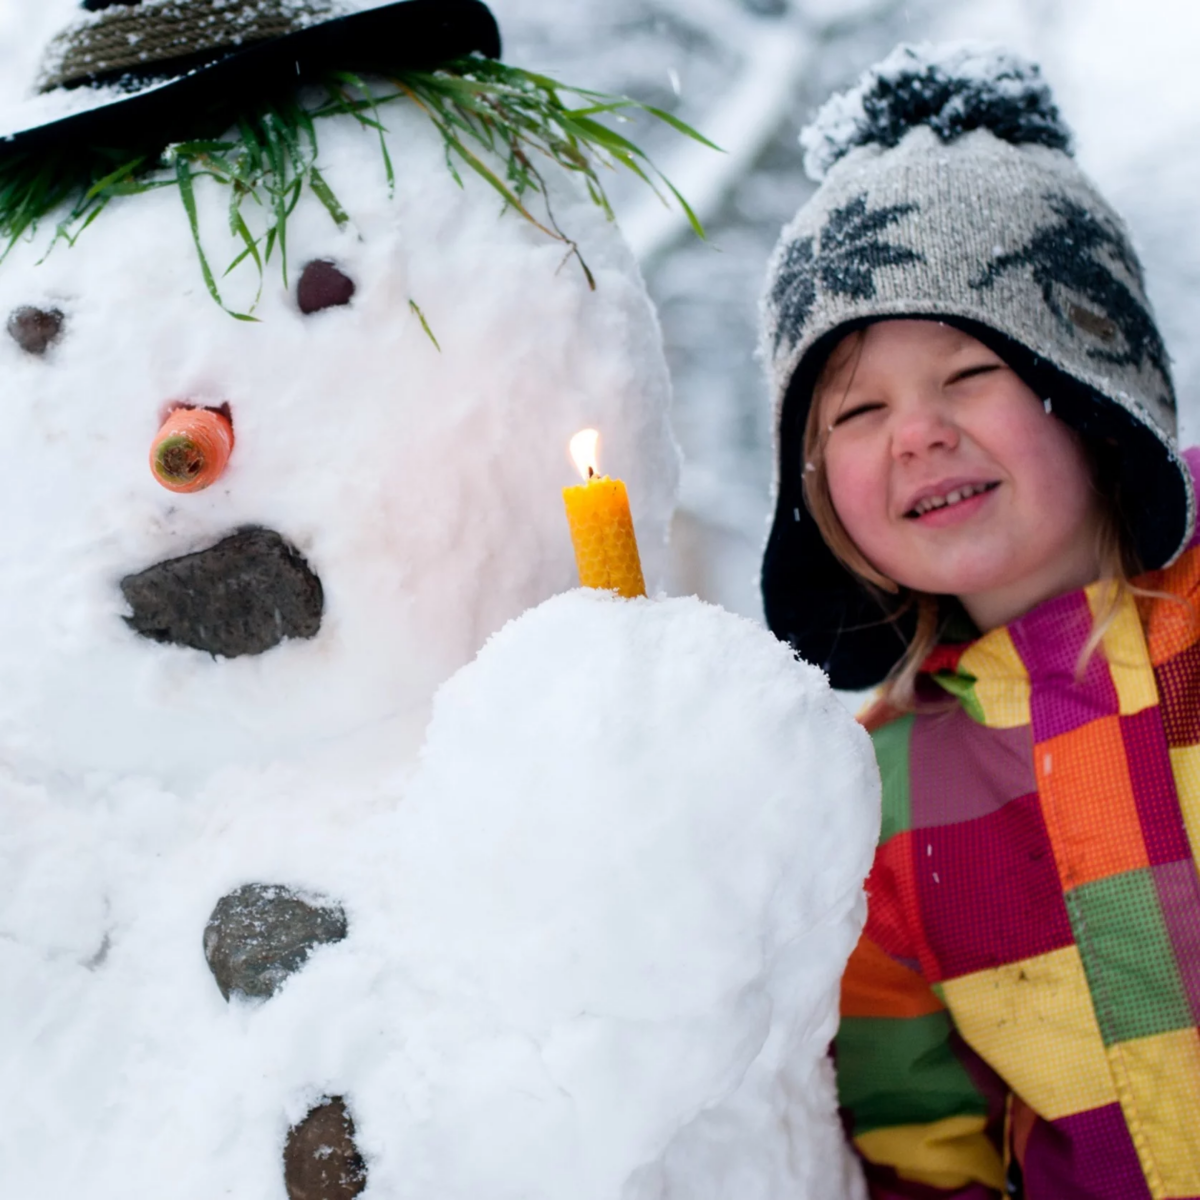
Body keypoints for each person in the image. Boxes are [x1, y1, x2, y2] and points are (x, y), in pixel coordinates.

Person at [759, 43, 1200, 1200]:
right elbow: (922, 1136)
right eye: (856, 408)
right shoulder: (875, 797)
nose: (917, 434)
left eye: (966, 374)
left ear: (1091, 383)